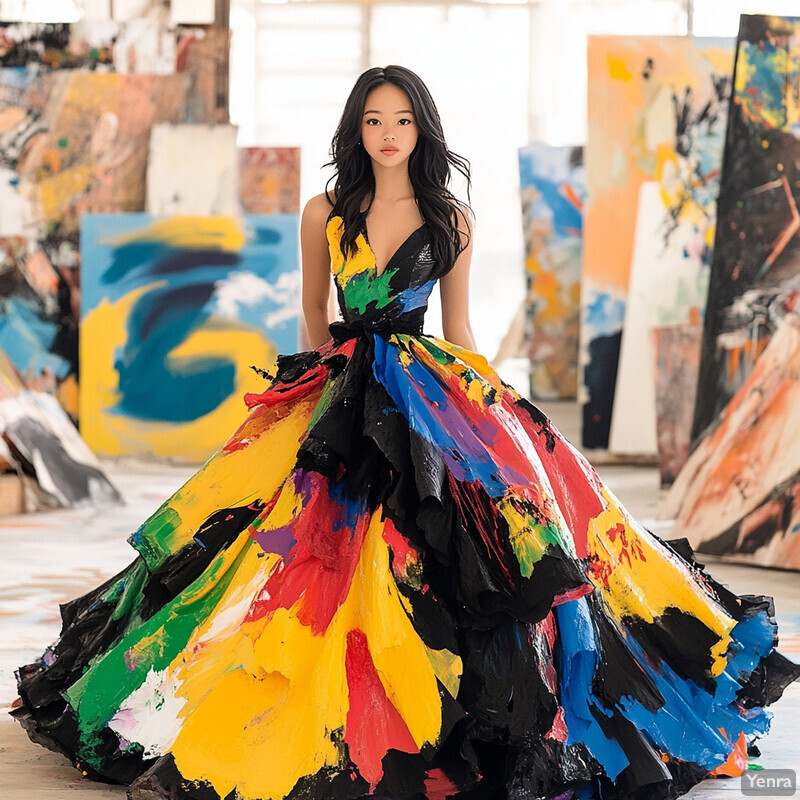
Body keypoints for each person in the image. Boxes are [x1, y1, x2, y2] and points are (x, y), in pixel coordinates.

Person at [13, 65, 799, 800]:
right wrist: (315, 397)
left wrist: (497, 414)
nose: (388, 133)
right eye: (372, 120)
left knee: (465, 541)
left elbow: (459, 327)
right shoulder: (323, 211)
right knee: (284, 542)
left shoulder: (451, 217)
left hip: (429, 387)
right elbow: (314, 315)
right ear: (356, 129)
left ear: (422, 128)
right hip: (343, 383)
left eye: (402, 119)